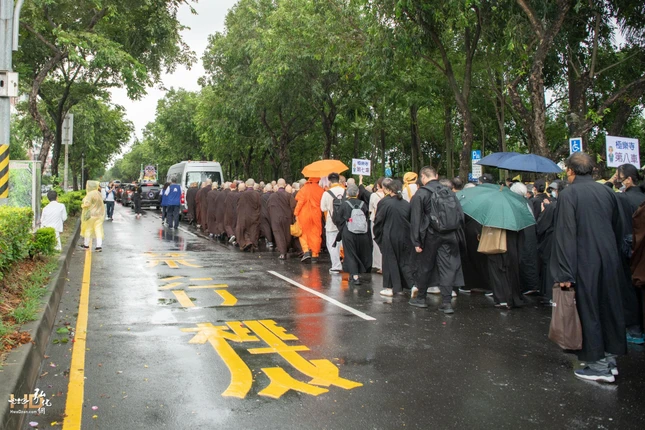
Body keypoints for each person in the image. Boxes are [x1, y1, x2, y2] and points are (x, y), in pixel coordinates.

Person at [550, 152, 627, 383]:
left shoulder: (569, 194)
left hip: (584, 260)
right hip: (609, 257)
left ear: (570, 171)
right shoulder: (607, 191)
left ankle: (599, 366)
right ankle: (610, 360)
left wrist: (564, 272)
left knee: (589, 309)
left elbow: (565, 234)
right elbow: (618, 226)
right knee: (609, 307)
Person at [409, 166, 464, 314]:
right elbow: (459, 214)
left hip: (430, 235)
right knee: (447, 267)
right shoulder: (448, 191)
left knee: (425, 266)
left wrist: (416, 241)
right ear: (437, 175)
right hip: (449, 234)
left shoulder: (421, 193)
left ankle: (421, 298)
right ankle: (446, 302)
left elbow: (415, 219)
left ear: (423, 177)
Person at [609, 164, 645, 344]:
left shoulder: (622, 198)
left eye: (618, 177)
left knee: (629, 288)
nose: (617, 180)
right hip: (640, 250)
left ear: (628, 179)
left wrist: (610, 182)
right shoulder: (641, 197)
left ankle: (634, 329)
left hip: (628, 248)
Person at [373, 179, 416, 297]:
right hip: (405, 235)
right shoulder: (406, 204)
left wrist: (378, 235)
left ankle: (390, 288)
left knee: (389, 261)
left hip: (389, 234)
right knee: (405, 261)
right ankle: (412, 285)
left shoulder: (385, 203)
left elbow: (378, 221)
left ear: (389, 190)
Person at [332, 184, 372, 285]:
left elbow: (338, 219)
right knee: (359, 252)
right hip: (363, 232)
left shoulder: (344, 204)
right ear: (357, 193)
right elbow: (367, 217)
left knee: (350, 254)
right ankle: (358, 271)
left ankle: (354, 276)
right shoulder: (363, 204)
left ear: (347, 193)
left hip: (349, 232)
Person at [510, 182, 540, 297]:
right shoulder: (528, 202)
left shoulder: (516, 203)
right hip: (530, 232)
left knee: (523, 259)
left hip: (523, 232)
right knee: (530, 258)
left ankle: (528, 285)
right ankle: (532, 285)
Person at [294, 176, 324, 262]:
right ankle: (315, 254)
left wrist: (296, 213)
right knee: (316, 234)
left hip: (304, 215)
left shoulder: (304, 188)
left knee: (303, 233)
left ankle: (306, 251)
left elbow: (300, 202)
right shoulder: (321, 190)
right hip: (316, 215)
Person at [320, 173, 346, 274]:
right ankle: (347, 264)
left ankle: (336, 266)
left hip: (332, 222)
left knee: (332, 244)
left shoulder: (327, 193)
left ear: (329, 181)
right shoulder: (345, 191)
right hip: (345, 222)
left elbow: (323, 208)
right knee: (345, 244)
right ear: (339, 180)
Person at [267, 179, 294, 259]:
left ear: (277, 185)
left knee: (278, 234)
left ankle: (282, 252)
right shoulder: (288, 195)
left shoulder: (272, 196)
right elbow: (293, 207)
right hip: (287, 218)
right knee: (287, 234)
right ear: (285, 185)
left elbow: (269, 207)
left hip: (276, 218)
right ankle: (286, 248)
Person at [236, 180, 262, 251]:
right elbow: (259, 205)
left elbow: (240, 205)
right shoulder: (257, 194)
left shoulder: (244, 194)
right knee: (253, 230)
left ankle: (247, 242)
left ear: (246, 185)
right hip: (254, 215)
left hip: (245, 215)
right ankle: (253, 244)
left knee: (244, 230)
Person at [80, 181, 106, 252]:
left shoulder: (90, 194)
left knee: (88, 229)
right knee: (98, 229)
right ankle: (99, 246)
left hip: (91, 215)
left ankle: (86, 245)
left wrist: (83, 205)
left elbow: (87, 204)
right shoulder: (99, 193)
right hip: (100, 214)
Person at [368, 177, 385, 273]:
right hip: (386, 220)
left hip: (375, 219)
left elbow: (370, 209)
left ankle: (378, 264)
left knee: (376, 241)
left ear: (378, 185)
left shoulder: (374, 195)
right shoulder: (389, 195)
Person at [260, 184, 274, 248]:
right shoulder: (274, 195)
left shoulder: (262, 197)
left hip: (264, 213)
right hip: (273, 213)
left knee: (266, 228)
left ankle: (269, 241)